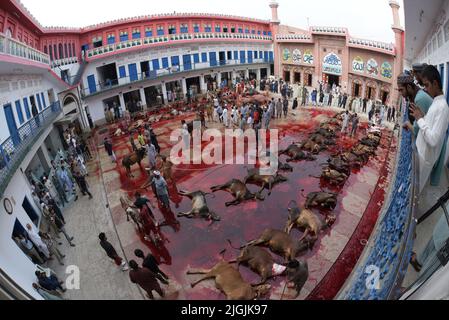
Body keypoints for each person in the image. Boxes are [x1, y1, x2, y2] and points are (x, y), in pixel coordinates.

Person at [409, 65, 449, 193]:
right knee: (410, 191)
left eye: (426, 85)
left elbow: (433, 140)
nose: (425, 89)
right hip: (420, 155)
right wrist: (423, 117)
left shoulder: (443, 107)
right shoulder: (436, 102)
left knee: (413, 194)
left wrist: (420, 119)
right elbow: (429, 127)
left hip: (424, 160)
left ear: (435, 83)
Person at [398, 72, 433, 137]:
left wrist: (407, 124)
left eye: (401, 90)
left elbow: (416, 130)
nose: (400, 93)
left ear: (408, 87)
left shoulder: (419, 98)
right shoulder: (412, 96)